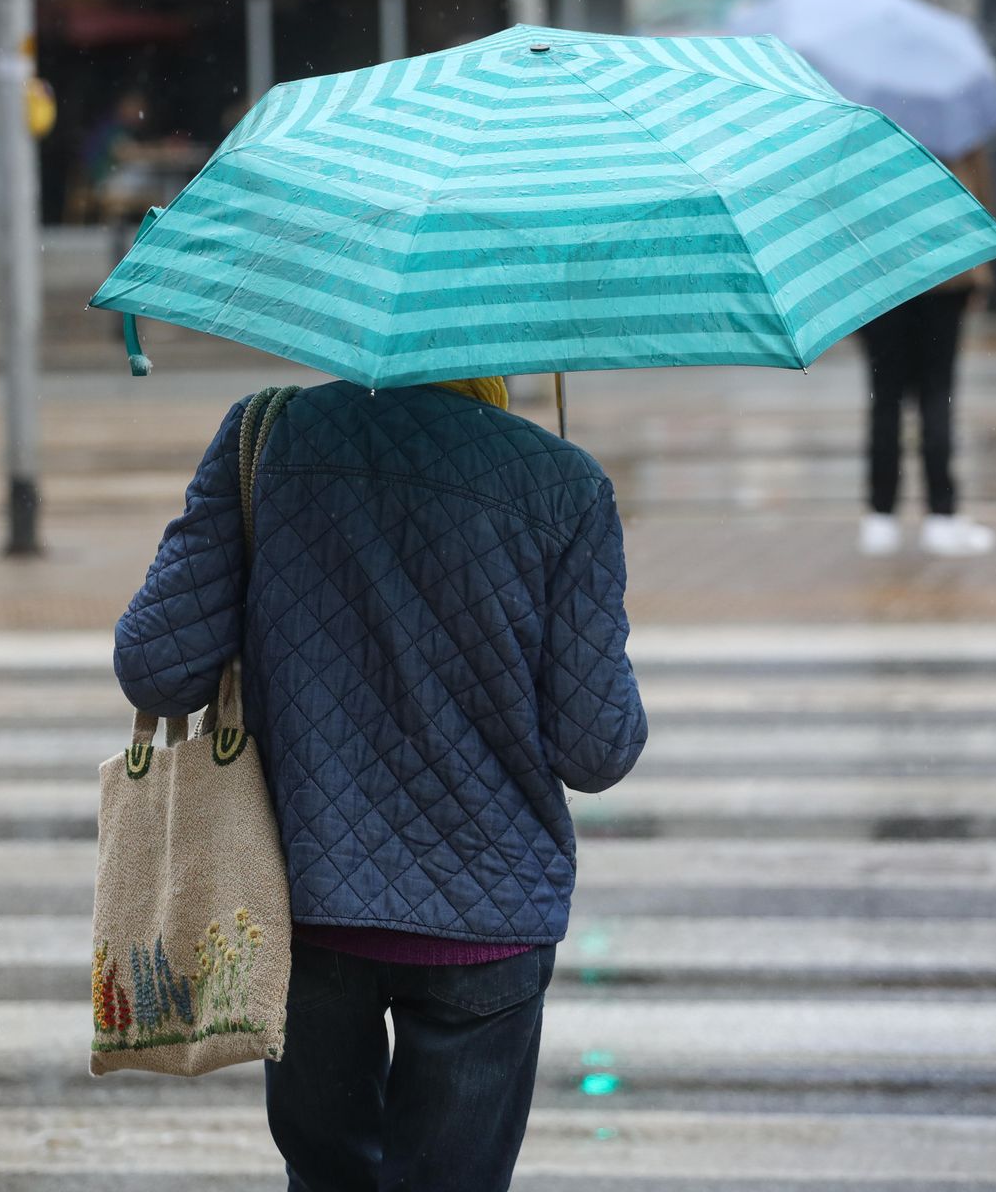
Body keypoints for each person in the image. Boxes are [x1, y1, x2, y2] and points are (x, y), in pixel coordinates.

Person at [114, 377, 648, 1191]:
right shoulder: (565, 484)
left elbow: (156, 669)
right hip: (486, 925)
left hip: (305, 904)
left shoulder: (271, 439)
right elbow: (597, 751)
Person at [858, 149, 996, 560]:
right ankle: (941, 515)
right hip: (945, 275)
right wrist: (981, 271)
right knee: (936, 396)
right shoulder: (955, 121)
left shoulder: (865, 123)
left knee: (884, 399)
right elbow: (981, 203)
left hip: (879, 276)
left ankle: (880, 517)